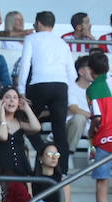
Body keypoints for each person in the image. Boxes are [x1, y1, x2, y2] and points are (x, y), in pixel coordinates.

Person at [14, 11, 77, 171]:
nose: (34, 26)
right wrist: (69, 95)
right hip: (61, 86)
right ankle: (62, 170)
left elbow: (25, 65)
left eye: (35, 23)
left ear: (39, 23)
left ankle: (42, 150)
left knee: (24, 121)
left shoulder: (31, 38)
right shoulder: (62, 43)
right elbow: (72, 73)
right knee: (59, 131)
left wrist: (21, 89)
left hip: (39, 84)